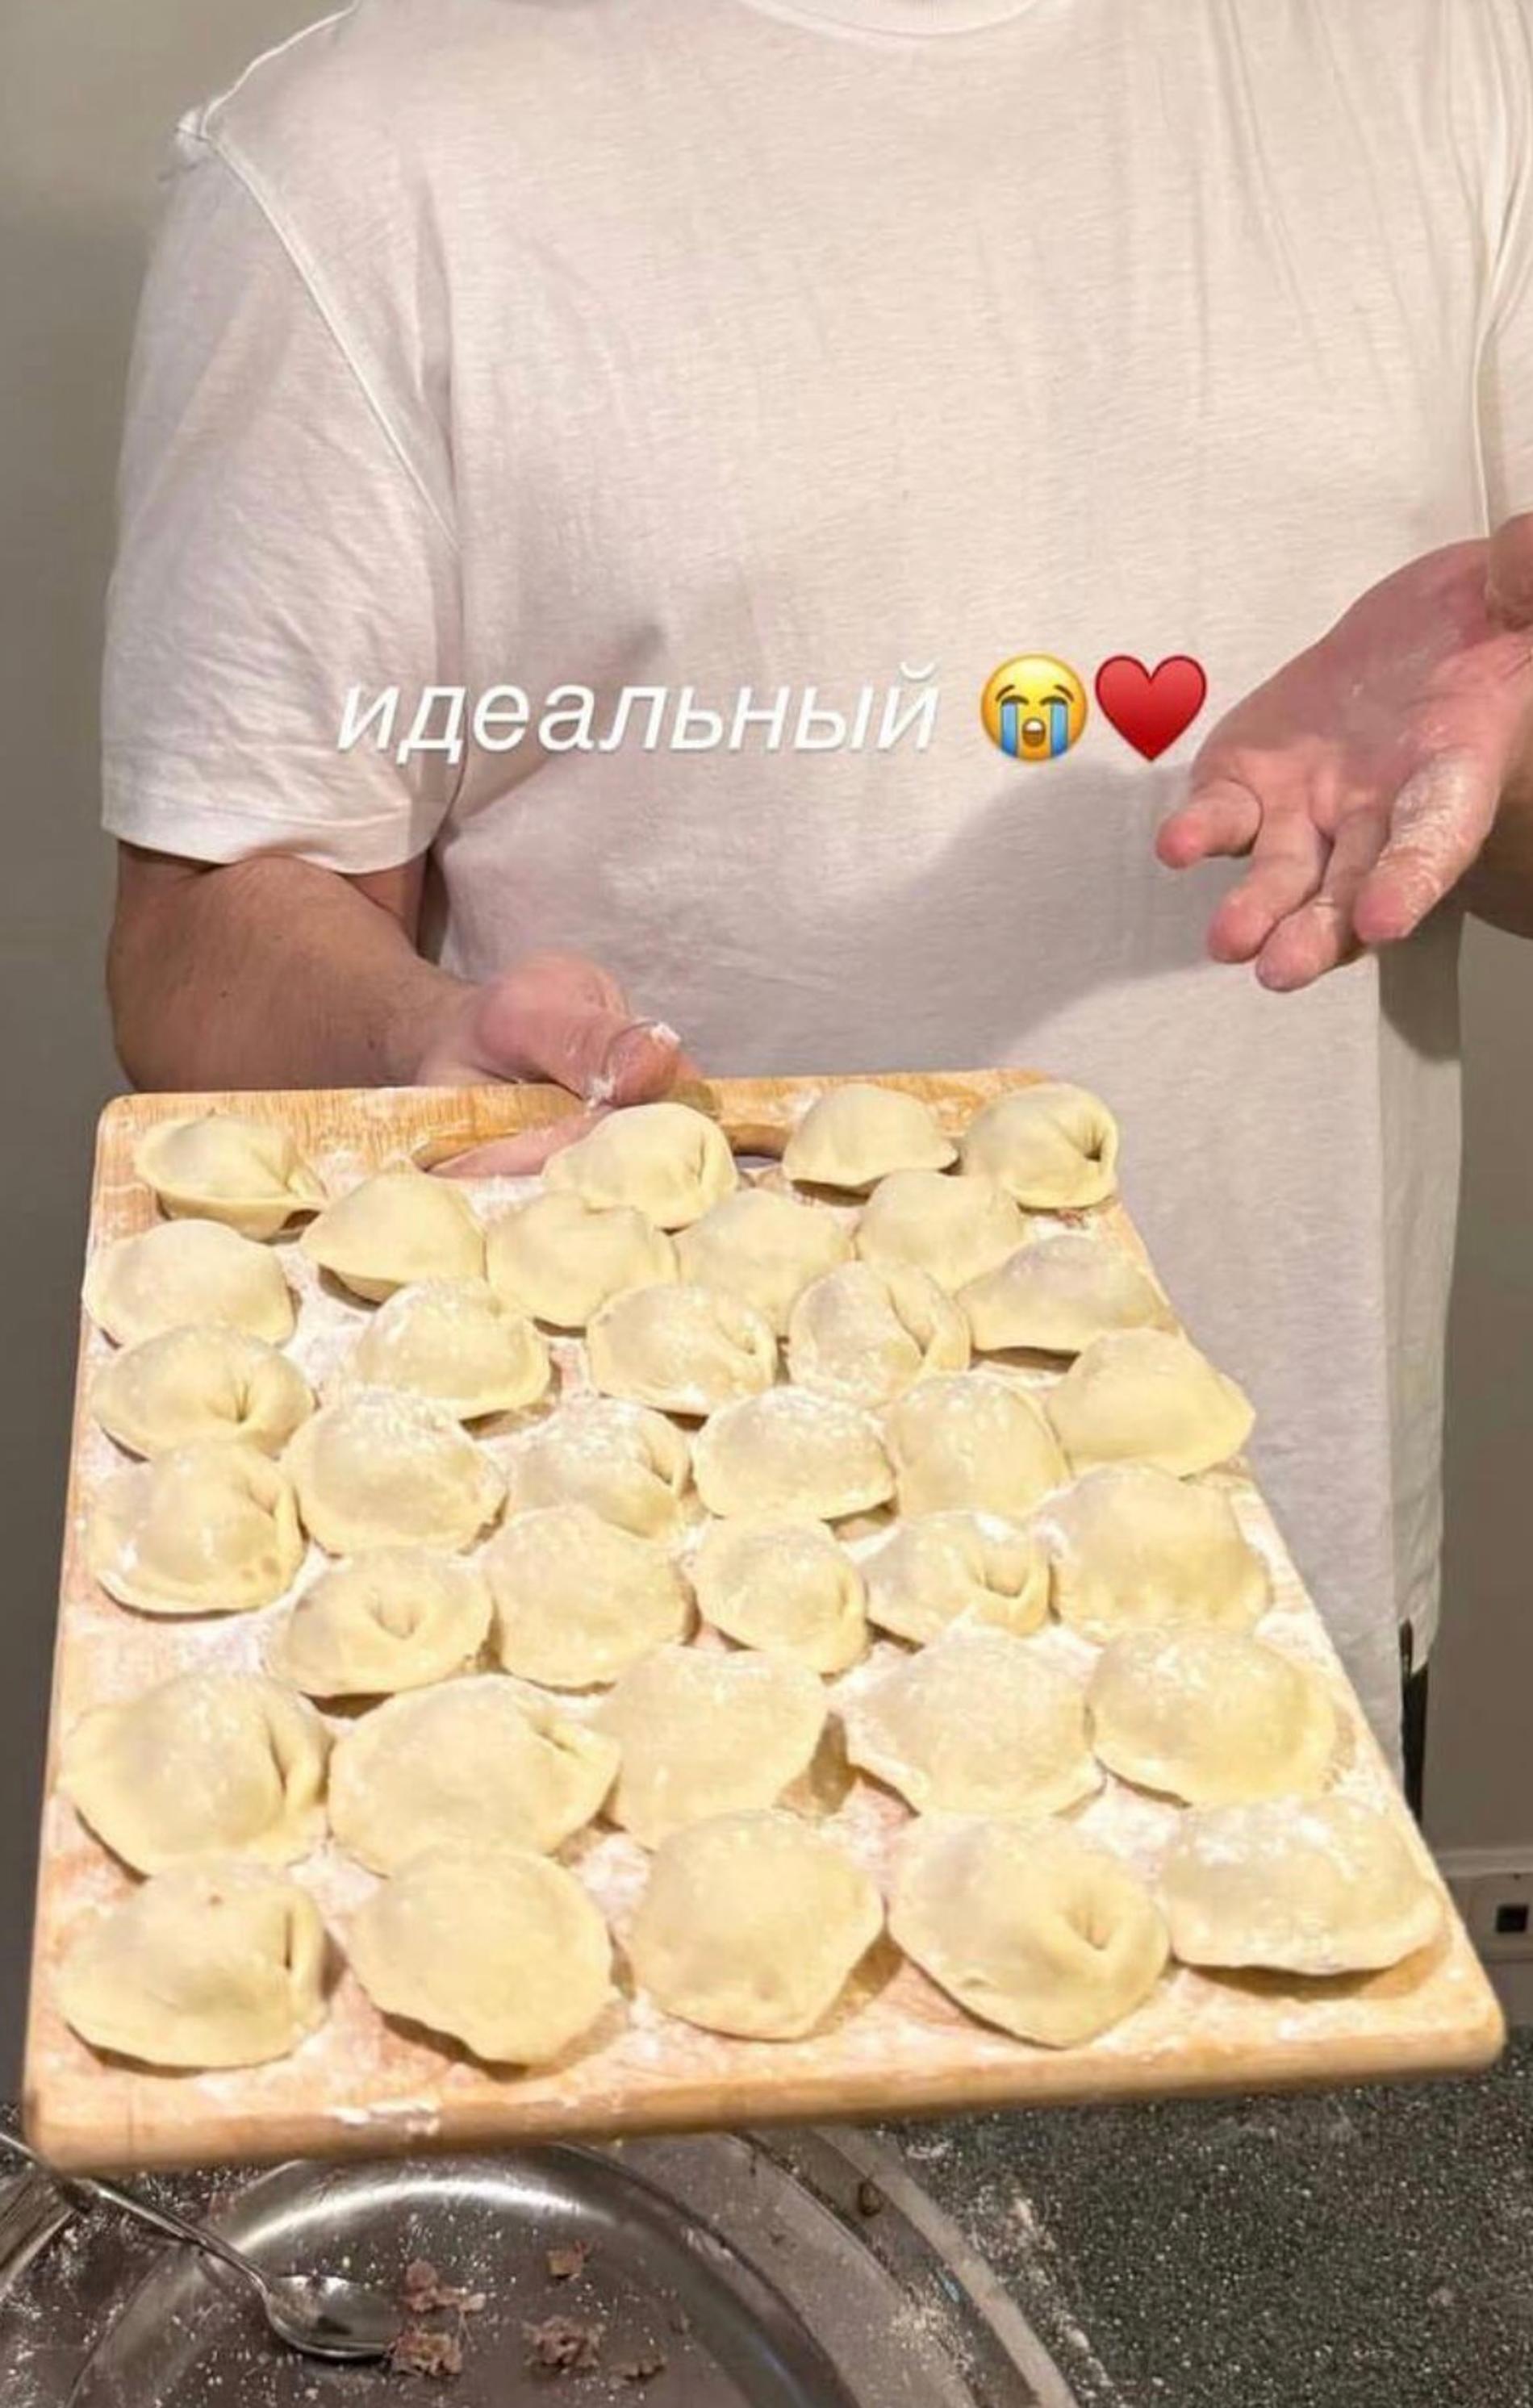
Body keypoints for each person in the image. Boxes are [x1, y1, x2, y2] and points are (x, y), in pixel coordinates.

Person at [101, 0, 1533, 1797]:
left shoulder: (1455, 59)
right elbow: (200, 925)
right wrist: (418, 1042)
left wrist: (1482, 762)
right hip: (628, 1627)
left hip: (1270, 1581)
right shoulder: (359, 157)